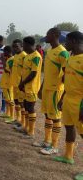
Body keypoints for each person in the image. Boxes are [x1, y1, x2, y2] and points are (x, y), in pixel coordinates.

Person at [33, 27, 69, 155]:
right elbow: (47, 73)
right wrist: (41, 88)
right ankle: (47, 141)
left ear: (54, 35)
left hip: (56, 90)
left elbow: (66, 74)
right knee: (47, 115)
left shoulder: (62, 52)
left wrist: (64, 93)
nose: (46, 36)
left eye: (47, 34)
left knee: (56, 118)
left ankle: (54, 146)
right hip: (47, 88)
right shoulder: (49, 51)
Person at [54, 31, 83, 174]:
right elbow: (68, 81)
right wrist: (62, 97)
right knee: (69, 127)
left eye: (67, 41)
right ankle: (68, 156)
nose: (65, 44)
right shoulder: (71, 58)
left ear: (76, 41)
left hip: (80, 101)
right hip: (68, 98)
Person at [18, 36, 42, 139]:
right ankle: (26, 128)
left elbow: (33, 73)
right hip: (25, 86)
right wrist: (22, 83)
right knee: (27, 107)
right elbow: (25, 72)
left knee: (31, 108)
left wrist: (23, 83)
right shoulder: (28, 56)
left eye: (23, 44)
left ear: (28, 44)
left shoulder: (36, 56)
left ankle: (31, 132)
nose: (22, 46)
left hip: (32, 87)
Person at [9, 39, 27, 125]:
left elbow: (26, 72)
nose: (15, 48)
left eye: (17, 47)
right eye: (14, 47)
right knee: (16, 102)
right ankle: (18, 119)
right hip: (14, 83)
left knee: (22, 103)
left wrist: (22, 83)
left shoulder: (24, 56)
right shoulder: (15, 56)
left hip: (20, 84)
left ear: (21, 46)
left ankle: (23, 122)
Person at [0, 46, 14, 119]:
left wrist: (2, 60)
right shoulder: (9, 59)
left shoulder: (12, 59)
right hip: (5, 83)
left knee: (10, 100)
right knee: (7, 100)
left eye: (4, 52)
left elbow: (7, 70)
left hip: (8, 83)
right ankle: (7, 114)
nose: (3, 53)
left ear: (8, 52)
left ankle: (11, 116)